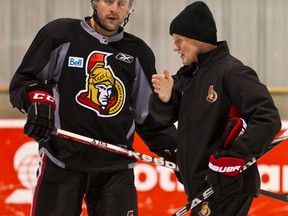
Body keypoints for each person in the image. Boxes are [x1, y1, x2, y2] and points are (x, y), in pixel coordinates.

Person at [9, 0, 177, 215]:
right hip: (61, 161)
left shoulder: (138, 53)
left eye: (122, 3)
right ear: (95, 2)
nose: (114, 9)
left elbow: (149, 117)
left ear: (130, 8)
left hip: (115, 169)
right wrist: (39, 101)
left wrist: (179, 151)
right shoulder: (60, 34)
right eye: (108, 1)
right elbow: (24, 81)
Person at [149, 1, 282, 215]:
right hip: (201, 185)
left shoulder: (232, 73)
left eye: (179, 40)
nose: (175, 47)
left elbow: (267, 119)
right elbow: (163, 117)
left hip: (227, 186)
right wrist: (164, 99)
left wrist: (235, 156)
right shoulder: (188, 75)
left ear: (197, 39)